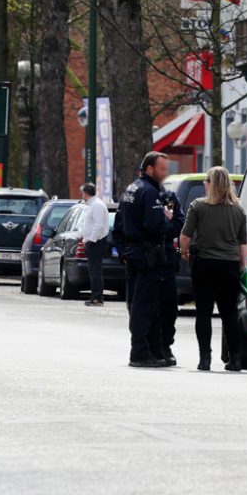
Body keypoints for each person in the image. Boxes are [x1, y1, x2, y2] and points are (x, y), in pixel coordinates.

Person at [179, 166, 247, 372]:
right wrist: (242, 267)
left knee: (204, 312)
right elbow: (243, 243)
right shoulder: (239, 210)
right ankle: (235, 359)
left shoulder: (198, 206)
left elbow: (185, 236)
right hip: (229, 266)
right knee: (229, 313)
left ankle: (205, 359)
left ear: (209, 183)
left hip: (205, 264)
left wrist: (184, 252)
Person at [113, 151, 173, 368]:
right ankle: (139, 352)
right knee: (144, 306)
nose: (165, 174)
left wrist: (125, 254)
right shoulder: (149, 192)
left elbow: (117, 228)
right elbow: (156, 227)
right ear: (150, 169)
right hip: (148, 256)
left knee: (138, 304)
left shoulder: (131, 188)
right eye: (162, 169)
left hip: (134, 255)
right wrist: (167, 219)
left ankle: (152, 351)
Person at [156, 186, 184, 365]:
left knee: (169, 306)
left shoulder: (167, 197)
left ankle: (166, 345)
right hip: (145, 258)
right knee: (146, 306)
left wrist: (162, 228)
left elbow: (178, 221)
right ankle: (148, 346)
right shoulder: (141, 194)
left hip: (166, 259)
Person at [81, 182, 110, 307]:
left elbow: (98, 225)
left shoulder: (97, 205)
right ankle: (95, 296)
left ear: (86, 193)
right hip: (94, 241)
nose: (82, 195)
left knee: (95, 271)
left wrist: (90, 240)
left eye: (82, 192)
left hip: (96, 242)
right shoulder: (93, 205)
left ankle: (97, 297)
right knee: (94, 270)